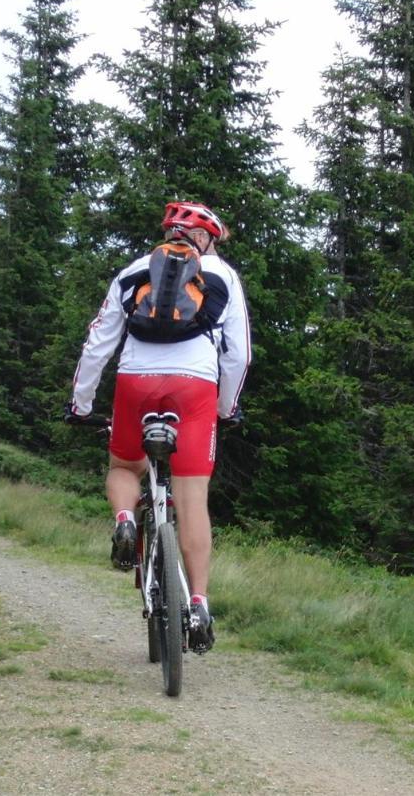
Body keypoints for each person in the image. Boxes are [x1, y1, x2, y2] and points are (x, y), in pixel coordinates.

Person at [66, 200, 251, 653]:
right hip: (194, 392)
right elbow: (239, 355)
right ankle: (201, 604)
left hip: (136, 385)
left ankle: (126, 520)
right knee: (192, 501)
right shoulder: (221, 274)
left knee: (124, 467)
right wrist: (226, 408)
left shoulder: (133, 271)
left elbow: (98, 342)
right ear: (207, 238)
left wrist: (81, 403)